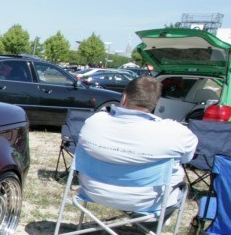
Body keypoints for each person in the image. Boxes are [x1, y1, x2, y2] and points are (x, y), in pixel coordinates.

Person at [77, 75, 198, 211]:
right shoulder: (176, 133)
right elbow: (187, 158)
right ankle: (152, 223)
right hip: (149, 201)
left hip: (94, 192)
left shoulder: (94, 122)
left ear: (124, 98)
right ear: (155, 103)